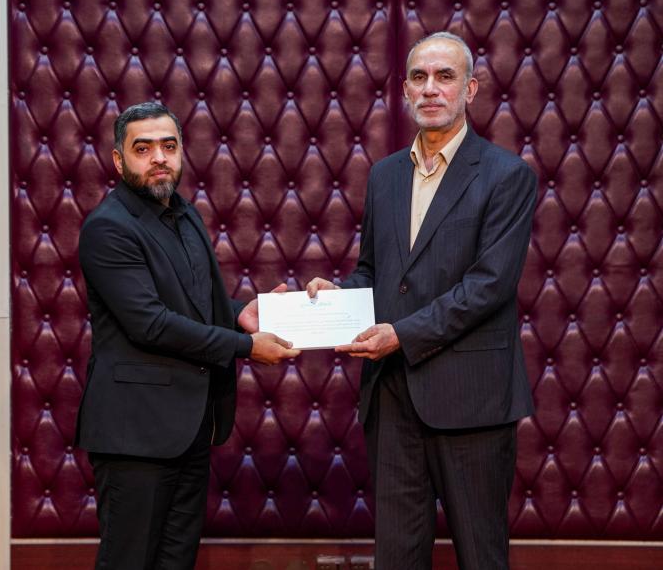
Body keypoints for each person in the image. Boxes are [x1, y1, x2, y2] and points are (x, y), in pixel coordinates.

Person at [307, 32, 537, 569]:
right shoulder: (385, 175)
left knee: (481, 556)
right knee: (397, 559)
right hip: (392, 399)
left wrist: (400, 335)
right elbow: (375, 272)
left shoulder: (507, 176)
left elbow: (489, 286)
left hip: (473, 400)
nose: (430, 88)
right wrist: (338, 296)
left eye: (445, 76)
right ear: (406, 90)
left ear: (470, 89)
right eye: (419, 77)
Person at [76, 101, 299, 569]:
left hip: (190, 427)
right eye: (143, 148)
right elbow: (151, 323)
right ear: (118, 160)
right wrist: (245, 347)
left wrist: (240, 314)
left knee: (176, 561)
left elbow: (196, 306)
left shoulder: (185, 213)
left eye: (168, 146)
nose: (159, 157)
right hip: (135, 434)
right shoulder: (108, 228)